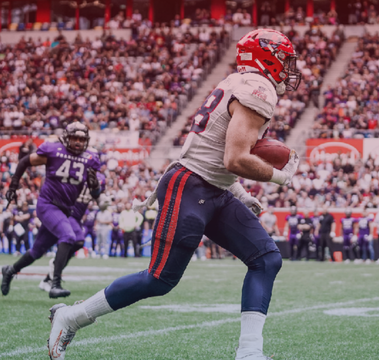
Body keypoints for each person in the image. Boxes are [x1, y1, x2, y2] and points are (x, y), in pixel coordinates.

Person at [47, 28, 301, 360]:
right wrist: (282, 177)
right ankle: (72, 316)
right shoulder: (258, 87)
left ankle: (249, 352)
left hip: (212, 187)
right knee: (159, 279)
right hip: (191, 186)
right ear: (267, 56)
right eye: (284, 60)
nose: (288, 69)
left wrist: (238, 191)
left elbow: (207, 148)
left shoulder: (235, 83)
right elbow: (234, 158)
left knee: (266, 259)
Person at [1, 122, 102, 298]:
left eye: (81, 139)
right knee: (69, 236)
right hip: (47, 204)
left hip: (65, 210)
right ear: (66, 138)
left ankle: (10, 270)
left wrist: (95, 188)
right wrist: (14, 185)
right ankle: (54, 283)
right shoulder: (54, 150)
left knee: (37, 251)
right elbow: (26, 161)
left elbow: (95, 193)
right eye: (74, 138)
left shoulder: (90, 158)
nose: (78, 142)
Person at [39, 174, 107, 292]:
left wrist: (104, 202)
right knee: (79, 241)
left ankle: (49, 278)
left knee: (72, 245)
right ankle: (55, 273)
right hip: (66, 212)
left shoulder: (100, 178)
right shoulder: (75, 169)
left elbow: (99, 197)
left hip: (77, 216)